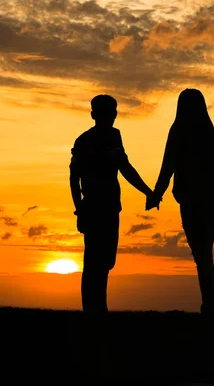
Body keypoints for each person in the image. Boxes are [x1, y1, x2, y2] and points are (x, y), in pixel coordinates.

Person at [69, 94, 157, 316]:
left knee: (103, 261)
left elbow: (123, 167)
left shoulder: (109, 136)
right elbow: (75, 176)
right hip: (97, 208)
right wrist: (79, 208)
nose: (112, 116)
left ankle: (97, 309)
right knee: (94, 263)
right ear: (95, 115)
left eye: (113, 112)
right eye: (108, 112)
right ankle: (94, 311)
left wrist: (148, 191)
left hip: (105, 207)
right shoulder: (89, 140)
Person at [146, 88, 214, 315]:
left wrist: (156, 194)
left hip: (192, 200)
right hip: (211, 199)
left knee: (202, 255)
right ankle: (209, 303)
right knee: (205, 254)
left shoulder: (179, 130)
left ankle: (209, 304)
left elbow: (167, 165)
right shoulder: (210, 132)